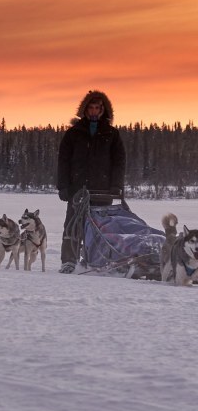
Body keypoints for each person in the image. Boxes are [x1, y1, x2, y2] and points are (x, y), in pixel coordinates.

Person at [56, 89, 126, 273]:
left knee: (101, 227)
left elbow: (119, 162)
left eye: (97, 108)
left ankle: (99, 261)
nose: (94, 111)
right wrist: (63, 186)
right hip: (78, 189)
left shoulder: (111, 134)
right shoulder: (74, 133)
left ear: (103, 110)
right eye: (91, 108)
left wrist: (116, 185)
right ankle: (69, 261)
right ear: (85, 110)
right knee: (72, 226)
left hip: (103, 190)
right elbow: (63, 161)